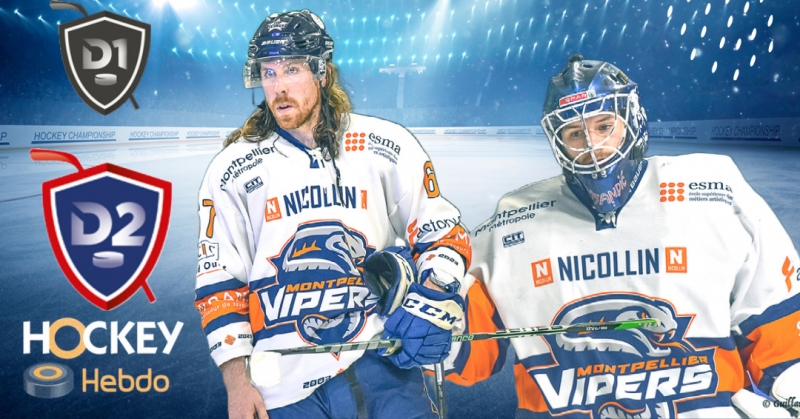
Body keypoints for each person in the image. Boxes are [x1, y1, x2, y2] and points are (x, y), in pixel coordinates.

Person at [445, 54, 800, 418]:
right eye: (575, 133)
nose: (592, 145)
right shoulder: (512, 222)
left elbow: (782, 336)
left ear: (632, 121)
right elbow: (466, 351)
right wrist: (429, 321)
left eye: (604, 126)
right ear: (558, 141)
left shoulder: (715, 193)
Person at [193, 10, 470, 419]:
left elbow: (442, 233)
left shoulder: (384, 145)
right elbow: (220, 282)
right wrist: (237, 382)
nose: (279, 87)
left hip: (382, 364)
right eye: (269, 73)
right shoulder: (232, 168)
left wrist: (433, 294)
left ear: (322, 72)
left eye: (291, 69)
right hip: (283, 387)